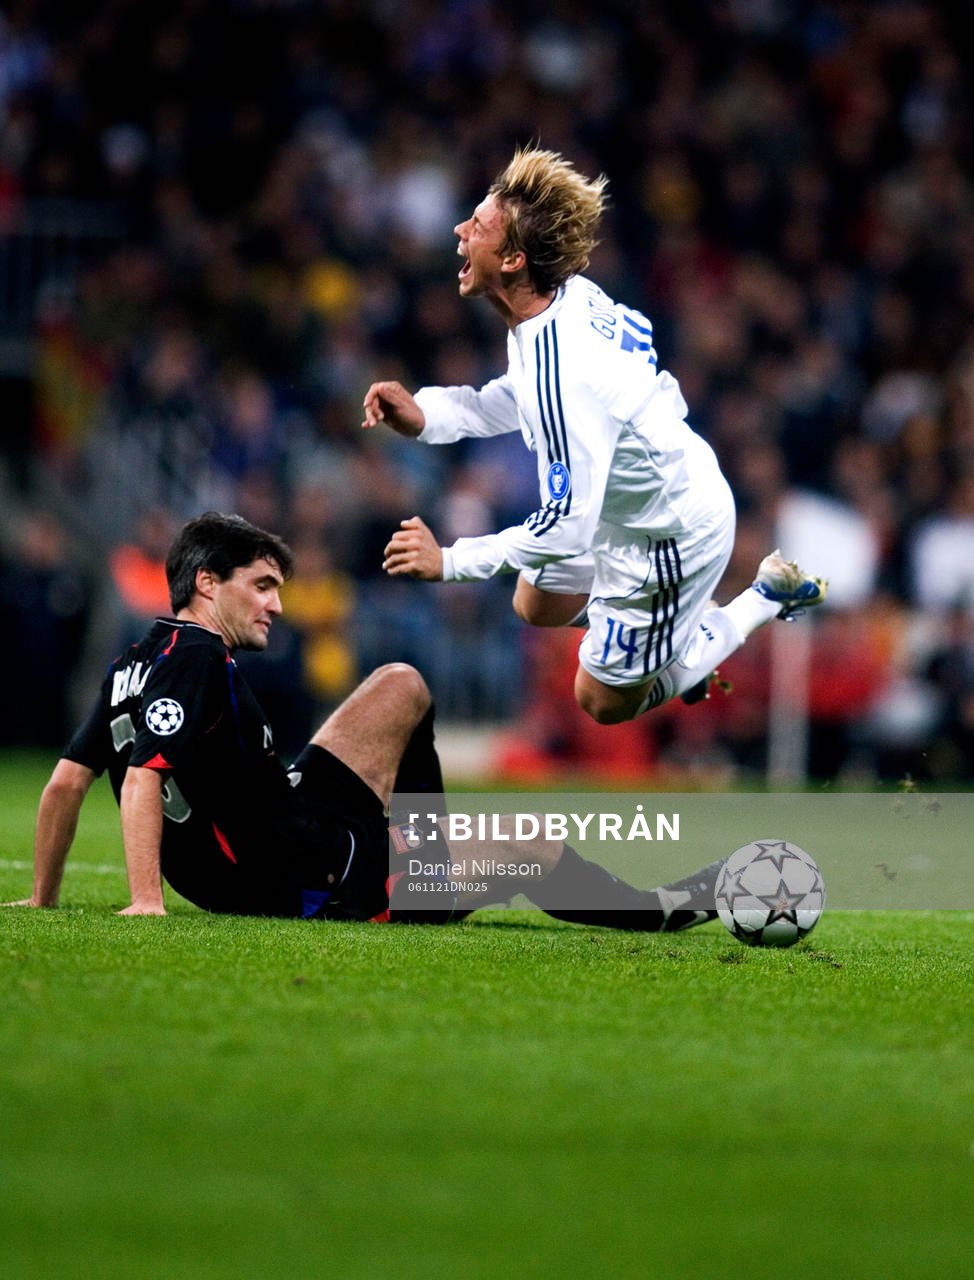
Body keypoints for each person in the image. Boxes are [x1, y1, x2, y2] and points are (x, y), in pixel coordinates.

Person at [5, 511, 722, 929]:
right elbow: (141, 779)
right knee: (527, 844)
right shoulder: (196, 658)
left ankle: (428, 854)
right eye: (261, 587)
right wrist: (145, 903)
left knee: (402, 684)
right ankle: (660, 909)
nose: (276, 605)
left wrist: (43, 899)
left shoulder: (133, 661)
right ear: (206, 584)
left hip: (293, 810)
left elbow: (65, 786)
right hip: (311, 872)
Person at [363, 147, 827, 726]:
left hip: (670, 541)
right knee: (534, 601)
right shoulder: (558, 303)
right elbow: (526, 397)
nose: (459, 230)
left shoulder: (566, 368)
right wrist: (429, 415)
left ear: (511, 259)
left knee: (601, 701)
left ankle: (753, 603)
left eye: (476, 225)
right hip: (634, 501)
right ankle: (672, 629)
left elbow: (568, 522)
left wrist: (451, 561)